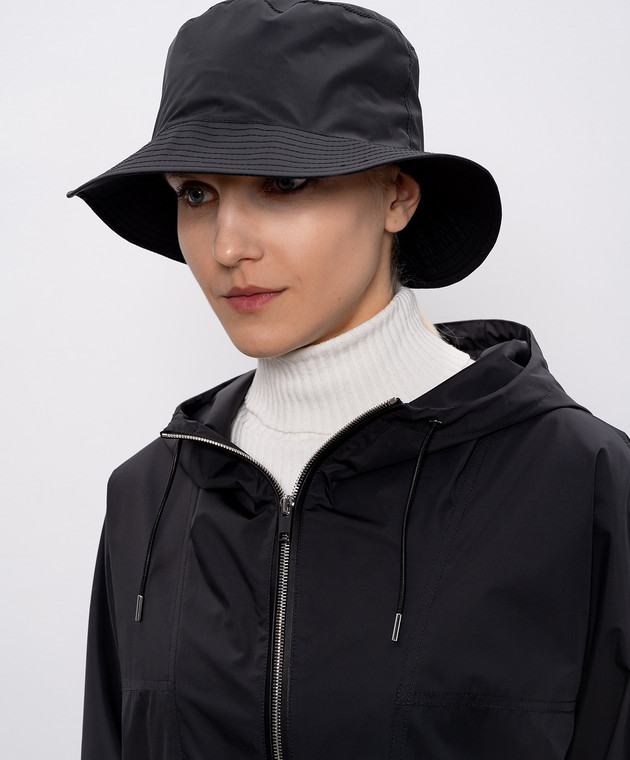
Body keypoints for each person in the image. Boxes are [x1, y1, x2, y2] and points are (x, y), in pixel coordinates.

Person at [68, 1, 630, 758]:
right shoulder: (149, 495)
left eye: (283, 182)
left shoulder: (580, 482)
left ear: (397, 196)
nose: (227, 246)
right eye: (197, 193)